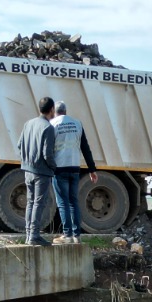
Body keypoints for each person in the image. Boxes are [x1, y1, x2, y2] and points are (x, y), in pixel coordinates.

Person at [50, 101, 98, 243]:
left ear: (55, 111)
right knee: (73, 202)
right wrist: (92, 169)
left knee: (63, 203)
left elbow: (49, 149)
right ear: (66, 110)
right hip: (75, 168)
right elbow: (85, 148)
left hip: (59, 168)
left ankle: (67, 235)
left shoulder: (52, 124)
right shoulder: (77, 124)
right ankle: (77, 236)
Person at [17, 96, 58, 246]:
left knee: (30, 202)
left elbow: (19, 145)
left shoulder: (28, 124)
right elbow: (47, 154)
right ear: (52, 109)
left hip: (28, 170)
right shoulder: (48, 128)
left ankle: (29, 235)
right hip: (42, 172)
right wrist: (54, 167)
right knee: (38, 204)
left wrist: (26, 160)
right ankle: (34, 235)